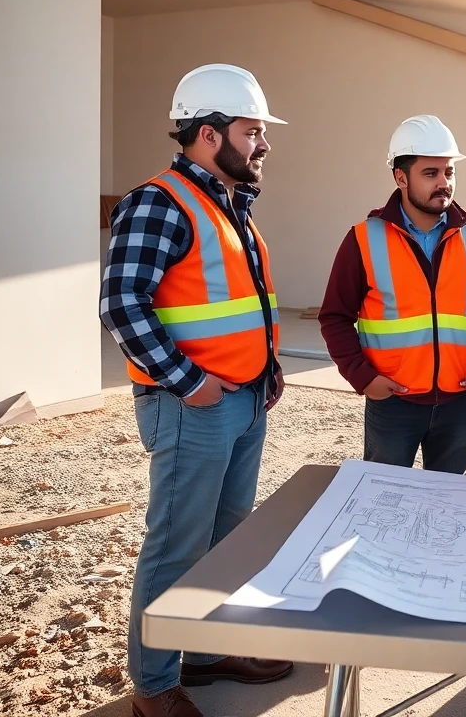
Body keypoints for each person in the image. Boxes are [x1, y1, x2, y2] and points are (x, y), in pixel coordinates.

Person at [101, 64, 292, 717]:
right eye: (252, 131)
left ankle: (205, 655)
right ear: (208, 134)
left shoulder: (231, 206)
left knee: (225, 538)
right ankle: (154, 687)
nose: (264, 144)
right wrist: (190, 382)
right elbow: (122, 304)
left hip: (240, 401)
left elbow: (240, 303)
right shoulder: (160, 202)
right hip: (191, 406)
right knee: (176, 546)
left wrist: (266, 369)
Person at [320, 114, 466, 474]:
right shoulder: (363, 238)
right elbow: (334, 317)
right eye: (430, 173)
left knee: (447, 499)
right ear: (400, 177)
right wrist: (363, 377)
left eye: (449, 172)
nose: (444, 183)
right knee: (386, 496)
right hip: (393, 401)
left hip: (460, 401)